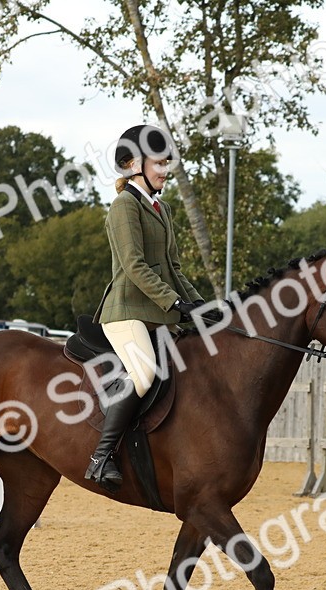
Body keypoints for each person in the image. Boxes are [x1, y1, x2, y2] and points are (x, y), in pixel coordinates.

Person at [85, 124, 208, 491]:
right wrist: (175, 302)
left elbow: (174, 269)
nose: (165, 169)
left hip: (157, 314)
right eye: (159, 162)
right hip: (126, 311)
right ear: (133, 164)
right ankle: (100, 457)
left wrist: (200, 306)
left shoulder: (163, 207)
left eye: (168, 162)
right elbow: (134, 266)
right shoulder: (124, 206)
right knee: (143, 373)